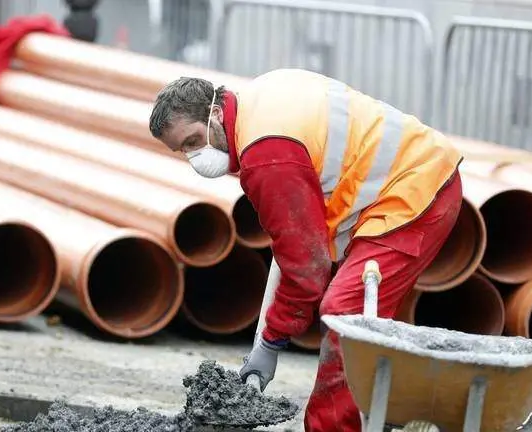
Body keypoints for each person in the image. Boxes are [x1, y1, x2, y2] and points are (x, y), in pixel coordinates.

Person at [148, 68, 463, 432]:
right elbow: (296, 241)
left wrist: (270, 341)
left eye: (193, 140)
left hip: (415, 192)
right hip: (402, 183)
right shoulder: (255, 105)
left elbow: (307, 271)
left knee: (346, 313)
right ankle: (382, 415)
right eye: (182, 150)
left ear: (215, 113)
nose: (194, 156)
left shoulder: (266, 152)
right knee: (360, 317)